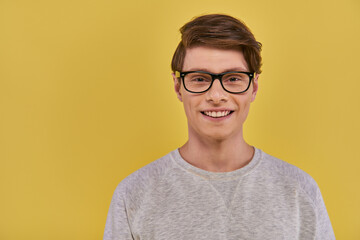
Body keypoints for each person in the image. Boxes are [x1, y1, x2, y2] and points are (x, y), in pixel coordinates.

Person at [103, 14, 335, 239]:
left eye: (233, 78)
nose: (216, 95)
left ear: (253, 88)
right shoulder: (133, 194)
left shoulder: (299, 190)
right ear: (178, 88)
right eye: (199, 78)